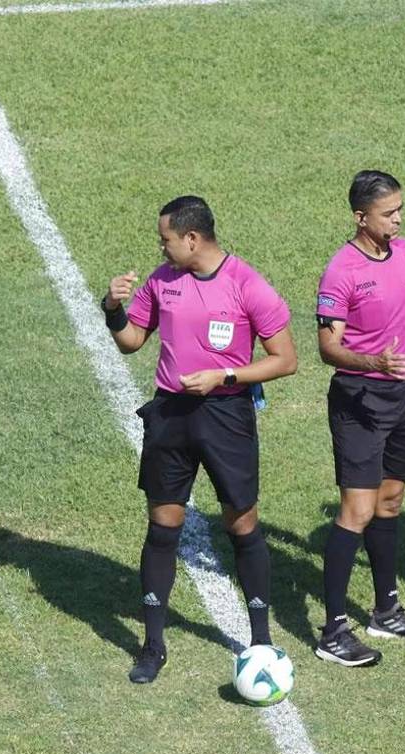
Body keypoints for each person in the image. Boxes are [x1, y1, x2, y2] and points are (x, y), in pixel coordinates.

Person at [102, 195, 297, 684]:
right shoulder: (162, 280)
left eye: (166, 239)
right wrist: (112, 307)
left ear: (192, 238)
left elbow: (285, 360)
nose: (161, 248)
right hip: (170, 414)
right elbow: (131, 341)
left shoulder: (248, 286)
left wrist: (225, 377)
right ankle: (152, 645)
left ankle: (261, 639)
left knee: (242, 521)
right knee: (163, 524)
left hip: (225, 413)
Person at [313, 170, 405, 668]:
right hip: (359, 400)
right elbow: (328, 346)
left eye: (399, 211)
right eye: (388, 213)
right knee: (358, 509)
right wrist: (373, 363)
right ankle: (332, 630)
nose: (398, 219)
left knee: (391, 501)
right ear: (360, 217)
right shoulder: (341, 271)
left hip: (402, 397)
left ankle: (386, 611)